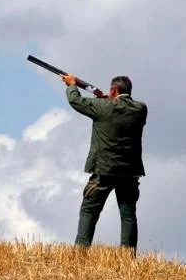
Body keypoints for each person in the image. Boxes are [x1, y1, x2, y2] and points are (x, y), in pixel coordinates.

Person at [61, 73, 147, 254]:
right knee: (128, 215)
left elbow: (76, 102)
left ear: (113, 90)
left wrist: (71, 85)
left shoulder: (103, 107)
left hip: (104, 170)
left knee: (89, 211)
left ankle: (81, 253)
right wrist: (108, 99)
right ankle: (128, 255)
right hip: (130, 171)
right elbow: (120, 108)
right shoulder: (140, 109)